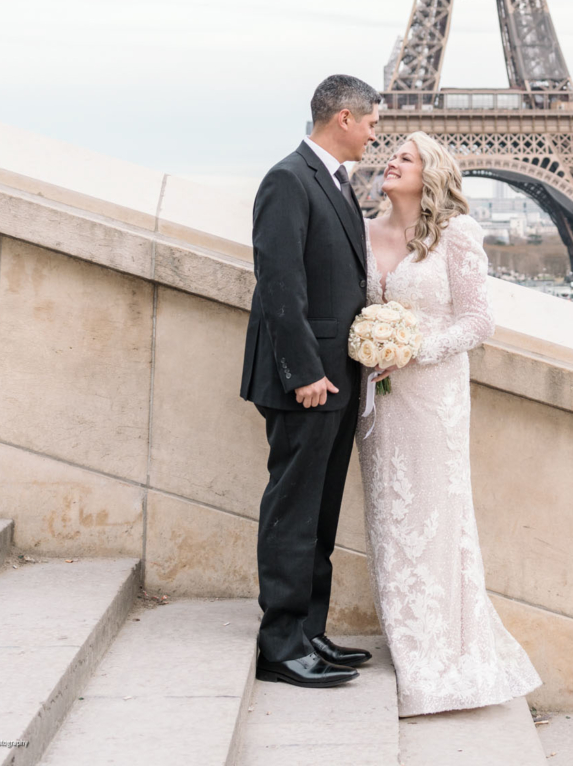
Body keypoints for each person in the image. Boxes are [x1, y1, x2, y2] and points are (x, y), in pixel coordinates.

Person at [359, 131, 541, 716]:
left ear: (430, 172)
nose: (391, 161)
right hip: (379, 397)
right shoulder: (363, 229)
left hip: (432, 395)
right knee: (390, 516)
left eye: (405, 158)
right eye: (391, 154)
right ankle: (409, 640)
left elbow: (478, 321)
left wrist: (414, 349)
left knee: (436, 518)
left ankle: (441, 653)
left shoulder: (457, 234)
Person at [240, 73, 381, 688]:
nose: (377, 132)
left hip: (338, 377)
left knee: (320, 513)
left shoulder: (334, 181)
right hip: (310, 380)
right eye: (372, 120)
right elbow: (279, 284)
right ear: (344, 117)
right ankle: (280, 645)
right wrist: (304, 373)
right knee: (294, 510)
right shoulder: (288, 179)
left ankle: (307, 632)